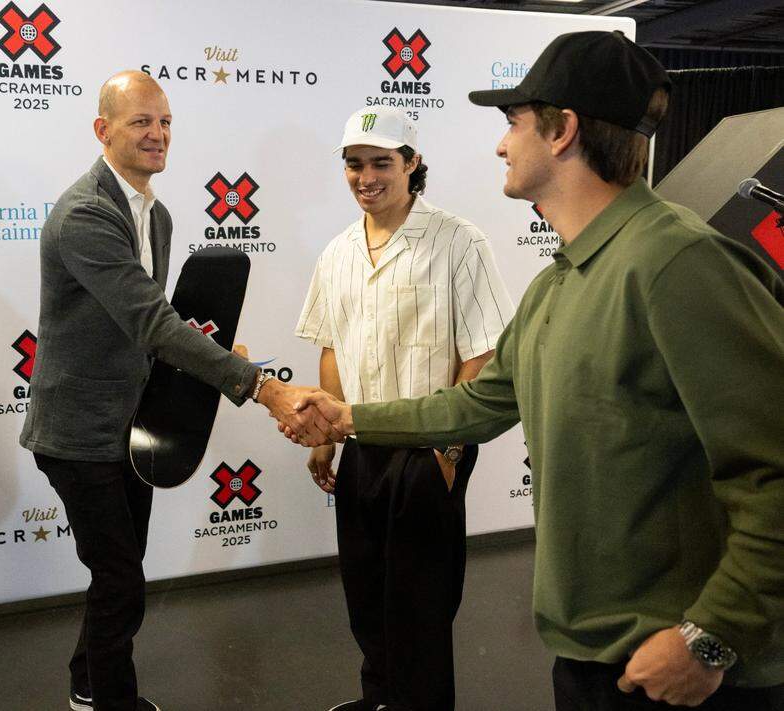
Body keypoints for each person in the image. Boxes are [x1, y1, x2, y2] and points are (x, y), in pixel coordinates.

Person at [286, 31, 784, 711]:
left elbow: (774, 469)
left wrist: (712, 635)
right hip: (589, 654)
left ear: (563, 132)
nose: (500, 144)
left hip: (679, 671)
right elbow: (476, 403)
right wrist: (349, 418)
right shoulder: (559, 283)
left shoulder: (677, 263)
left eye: (513, 123)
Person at [18, 70, 327, 711]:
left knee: (117, 575)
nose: (157, 134)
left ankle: (86, 685)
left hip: (133, 422)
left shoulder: (153, 214)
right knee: (122, 580)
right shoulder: (85, 215)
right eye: (140, 122)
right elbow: (151, 322)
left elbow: (151, 321)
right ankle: (110, 702)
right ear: (103, 130)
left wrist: (216, 354)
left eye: (164, 122)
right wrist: (260, 388)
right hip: (78, 432)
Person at [295, 106, 513, 711]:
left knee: (420, 606)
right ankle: (380, 699)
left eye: (382, 163)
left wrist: (448, 449)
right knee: (365, 594)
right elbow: (333, 346)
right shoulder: (338, 252)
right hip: (361, 442)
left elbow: (483, 354)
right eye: (355, 164)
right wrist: (325, 435)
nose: (367, 176)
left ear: (412, 164)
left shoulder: (458, 241)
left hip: (426, 448)